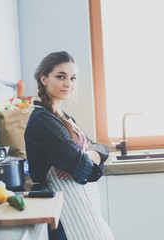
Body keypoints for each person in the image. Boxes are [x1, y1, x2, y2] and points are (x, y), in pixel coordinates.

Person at [24, 51, 114, 240]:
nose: (69, 83)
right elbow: (83, 168)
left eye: (72, 78)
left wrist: (90, 154)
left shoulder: (64, 117)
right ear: (44, 78)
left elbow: (100, 151)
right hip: (61, 210)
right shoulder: (43, 120)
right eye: (61, 76)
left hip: (80, 202)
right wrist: (87, 156)